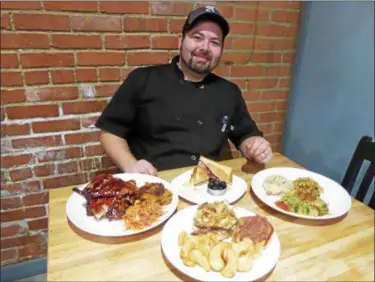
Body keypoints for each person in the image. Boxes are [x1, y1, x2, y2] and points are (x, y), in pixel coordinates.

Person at [95, 6, 273, 176]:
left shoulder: (229, 92)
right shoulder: (143, 79)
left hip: (208, 186)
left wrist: (255, 146)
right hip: (155, 184)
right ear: (181, 40)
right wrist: (131, 165)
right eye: (197, 37)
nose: (204, 47)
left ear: (221, 50)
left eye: (214, 42)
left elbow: (245, 135)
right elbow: (110, 132)